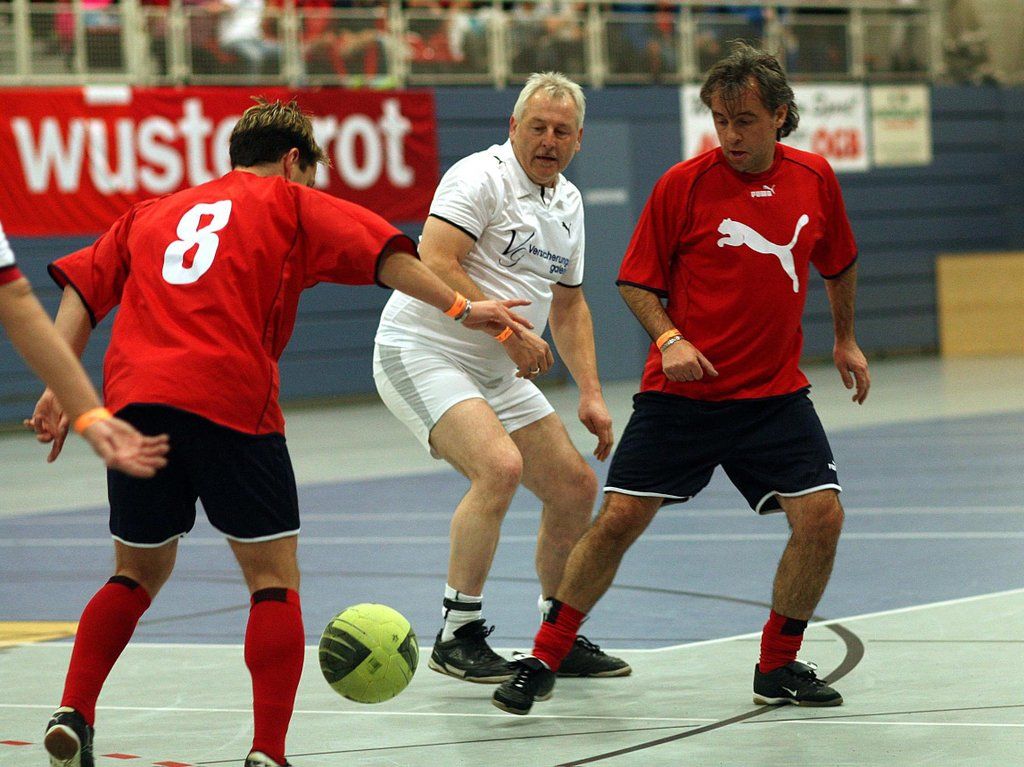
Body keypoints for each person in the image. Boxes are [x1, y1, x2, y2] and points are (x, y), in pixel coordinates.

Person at [26, 98, 533, 767]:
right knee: (272, 578)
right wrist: (466, 308)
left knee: (135, 572)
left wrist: (61, 386)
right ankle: (267, 750)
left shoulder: (150, 213)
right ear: (293, 161)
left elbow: (83, 290)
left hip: (137, 405)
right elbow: (390, 256)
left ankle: (73, 711)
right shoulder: (290, 202)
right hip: (232, 401)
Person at [492, 43, 871, 715]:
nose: (731, 135)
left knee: (822, 517)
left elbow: (838, 261)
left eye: (744, 120)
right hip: (683, 397)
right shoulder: (683, 184)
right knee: (617, 520)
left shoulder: (814, 177)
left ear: (780, 116)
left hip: (774, 396)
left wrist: (845, 338)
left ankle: (777, 665)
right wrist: (669, 340)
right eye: (720, 121)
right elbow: (636, 280)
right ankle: (544, 658)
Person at [373, 71, 630, 686]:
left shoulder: (568, 203)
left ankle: (557, 635)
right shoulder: (478, 177)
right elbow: (434, 258)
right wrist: (511, 334)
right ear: (513, 127)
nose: (548, 140)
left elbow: (569, 304)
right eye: (537, 127)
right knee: (499, 467)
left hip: (495, 369)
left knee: (574, 487)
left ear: (578, 140)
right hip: (423, 351)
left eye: (562, 131)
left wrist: (591, 394)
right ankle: (456, 634)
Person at [0, 221, 168, 477]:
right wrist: (84, 411)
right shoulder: (142, 218)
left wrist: (74, 402)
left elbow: (19, 301)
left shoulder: (142, 218)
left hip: (140, 396)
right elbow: (17, 302)